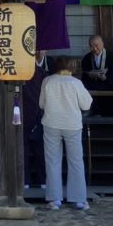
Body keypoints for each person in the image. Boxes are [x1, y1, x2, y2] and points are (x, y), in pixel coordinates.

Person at [39, 57, 93, 210]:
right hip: (72, 124)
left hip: (51, 122)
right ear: (71, 67)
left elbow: (41, 104)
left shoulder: (47, 81)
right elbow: (86, 104)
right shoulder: (76, 83)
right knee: (76, 161)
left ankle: (54, 199)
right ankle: (79, 199)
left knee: (52, 161)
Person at [21, 51, 50, 188]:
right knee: (40, 149)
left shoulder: (18, 72)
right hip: (39, 114)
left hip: (22, 114)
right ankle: (42, 180)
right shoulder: (42, 73)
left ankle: (25, 180)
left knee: (24, 149)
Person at [81, 35, 113, 115]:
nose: (94, 49)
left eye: (96, 45)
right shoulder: (86, 58)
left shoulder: (112, 57)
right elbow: (84, 76)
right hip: (93, 91)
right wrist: (89, 75)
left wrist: (106, 78)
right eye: (91, 46)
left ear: (102, 43)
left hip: (109, 90)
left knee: (110, 111)